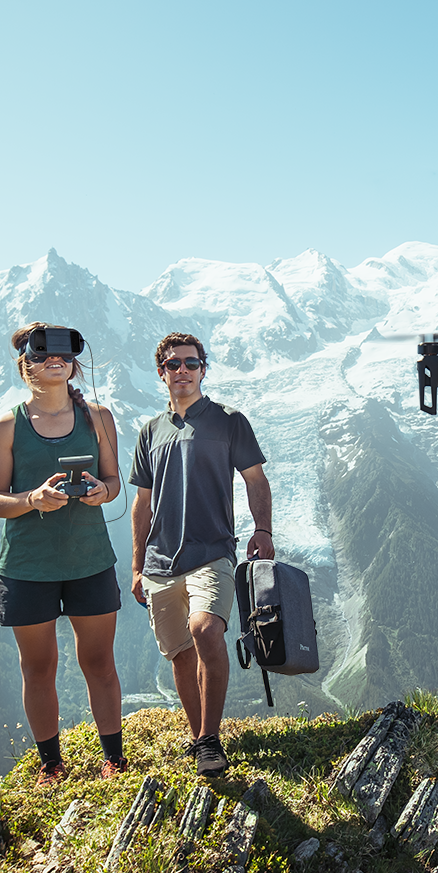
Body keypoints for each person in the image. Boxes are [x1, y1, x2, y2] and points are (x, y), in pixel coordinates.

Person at [0, 322, 126, 785]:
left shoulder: (99, 418)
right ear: (26, 363)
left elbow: (115, 482)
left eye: (61, 355)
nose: (53, 361)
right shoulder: (4, 427)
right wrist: (31, 499)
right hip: (28, 567)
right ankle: (51, 765)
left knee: (99, 661)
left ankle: (114, 759)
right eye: (42, 354)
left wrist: (102, 492)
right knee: (38, 667)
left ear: (73, 362)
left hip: (89, 560)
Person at [129, 332, 274, 777]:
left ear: (203, 368)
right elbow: (142, 503)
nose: (183, 371)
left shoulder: (230, 421)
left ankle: (211, 739)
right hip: (159, 561)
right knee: (178, 653)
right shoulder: (150, 432)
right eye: (174, 365)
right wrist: (137, 565)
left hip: (213, 550)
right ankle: (198, 741)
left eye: (191, 363)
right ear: (162, 373)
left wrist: (263, 530)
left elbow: (255, 479)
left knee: (206, 630)